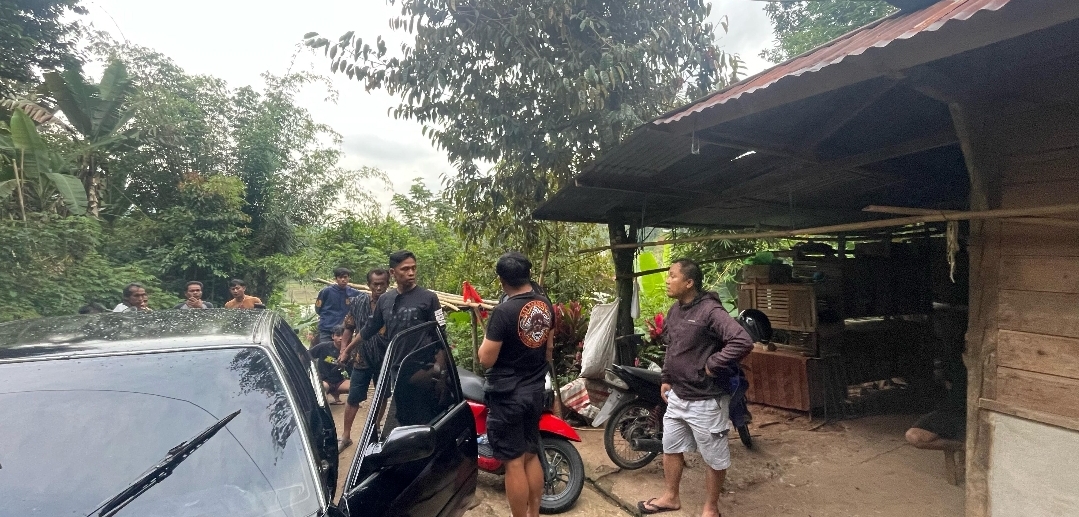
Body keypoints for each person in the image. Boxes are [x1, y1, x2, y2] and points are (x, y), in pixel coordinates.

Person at [639, 258, 754, 517]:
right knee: (670, 447)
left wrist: (713, 363)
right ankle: (671, 497)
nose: (667, 281)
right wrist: (666, 377)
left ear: (689, 282)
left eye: (673, 276)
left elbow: (742, 341)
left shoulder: (711, 311)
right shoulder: (675, 311)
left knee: (714, 456)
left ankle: (711, 508)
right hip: (678, 395)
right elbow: (673, 347)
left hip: (706, 400)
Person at [478, 252, 554, 517]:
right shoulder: (545, 304)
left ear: (502, 280)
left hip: (508, 396)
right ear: (528, 275)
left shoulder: (504, 311)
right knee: (531, 456)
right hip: (534, 392)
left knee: (513, 463)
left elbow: (486, 359)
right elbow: (548, 349)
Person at [358, 250, 446, 428]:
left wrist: (440, 371)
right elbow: (369, 329)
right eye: (405, 269)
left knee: (427, 419)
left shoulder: (429, 298)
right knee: (404, 418)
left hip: (425, 369)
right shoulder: (385, 300)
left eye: (413, 268)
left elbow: (441, 335)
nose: (411, 273)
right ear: (393, 272)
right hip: (398, 370)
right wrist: (347, 349)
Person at [336, 268, 391, 451]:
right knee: (353, 396)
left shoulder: (392, 303)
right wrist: (344, 350)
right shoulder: (358, 302)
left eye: (382, 284)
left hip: (385, 357)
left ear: (388, 284)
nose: (379, 288)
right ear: (369, 285)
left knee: (382, 395)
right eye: (375, 284)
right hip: (362, 357)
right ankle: (345, 436)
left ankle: (374, 430)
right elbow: (349, 327)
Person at [906, 357, 967, 452]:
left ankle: (966, 448)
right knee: (913, 436)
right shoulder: (947, 361)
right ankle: (963, 447)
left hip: (967, 413)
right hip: (948, 412)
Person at [314, 267, 360, 346]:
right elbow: (318, 308)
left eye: (345, 277)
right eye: (340, 277)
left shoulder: (353, 293)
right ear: (336, 279)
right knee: (326, 349)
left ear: (349, 278)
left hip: (343, 330)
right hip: (326, 328)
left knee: (343, 351)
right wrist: (326, 317)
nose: (343, 280)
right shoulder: (326, 291)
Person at [309, 325, 350, 404]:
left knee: (355, 387)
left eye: (343, 336)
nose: (340, 338)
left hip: (340, 381)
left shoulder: (350, 350)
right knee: (322, 388)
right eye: (338, 335)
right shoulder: (323, 347)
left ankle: (340, 398)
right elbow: (307, 355)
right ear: (332, 336)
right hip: (325, 380)